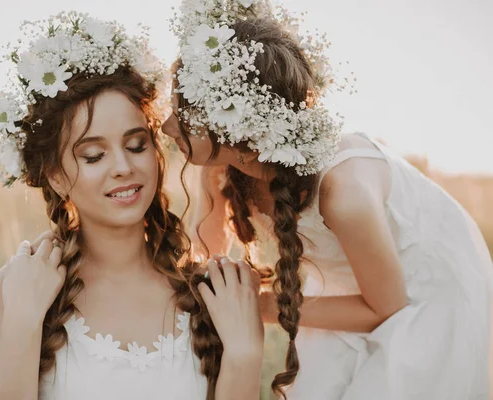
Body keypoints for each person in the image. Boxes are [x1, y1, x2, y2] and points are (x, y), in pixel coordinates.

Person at [162, 1, 493, 399]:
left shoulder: (343, 192)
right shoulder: (222, 164)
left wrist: (261, 307)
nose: (166, 124)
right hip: (344, 289)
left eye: (185, 112)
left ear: (239, 133)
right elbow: (207, 252)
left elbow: (387, 308)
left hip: (421, 301)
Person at [0, 12, 263, 400]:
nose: (124, 168)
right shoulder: (5, 293)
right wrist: (23, 320)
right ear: (55, 176)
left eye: (136, 145)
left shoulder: (211, 294)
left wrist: (245, 355)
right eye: (93, 156)